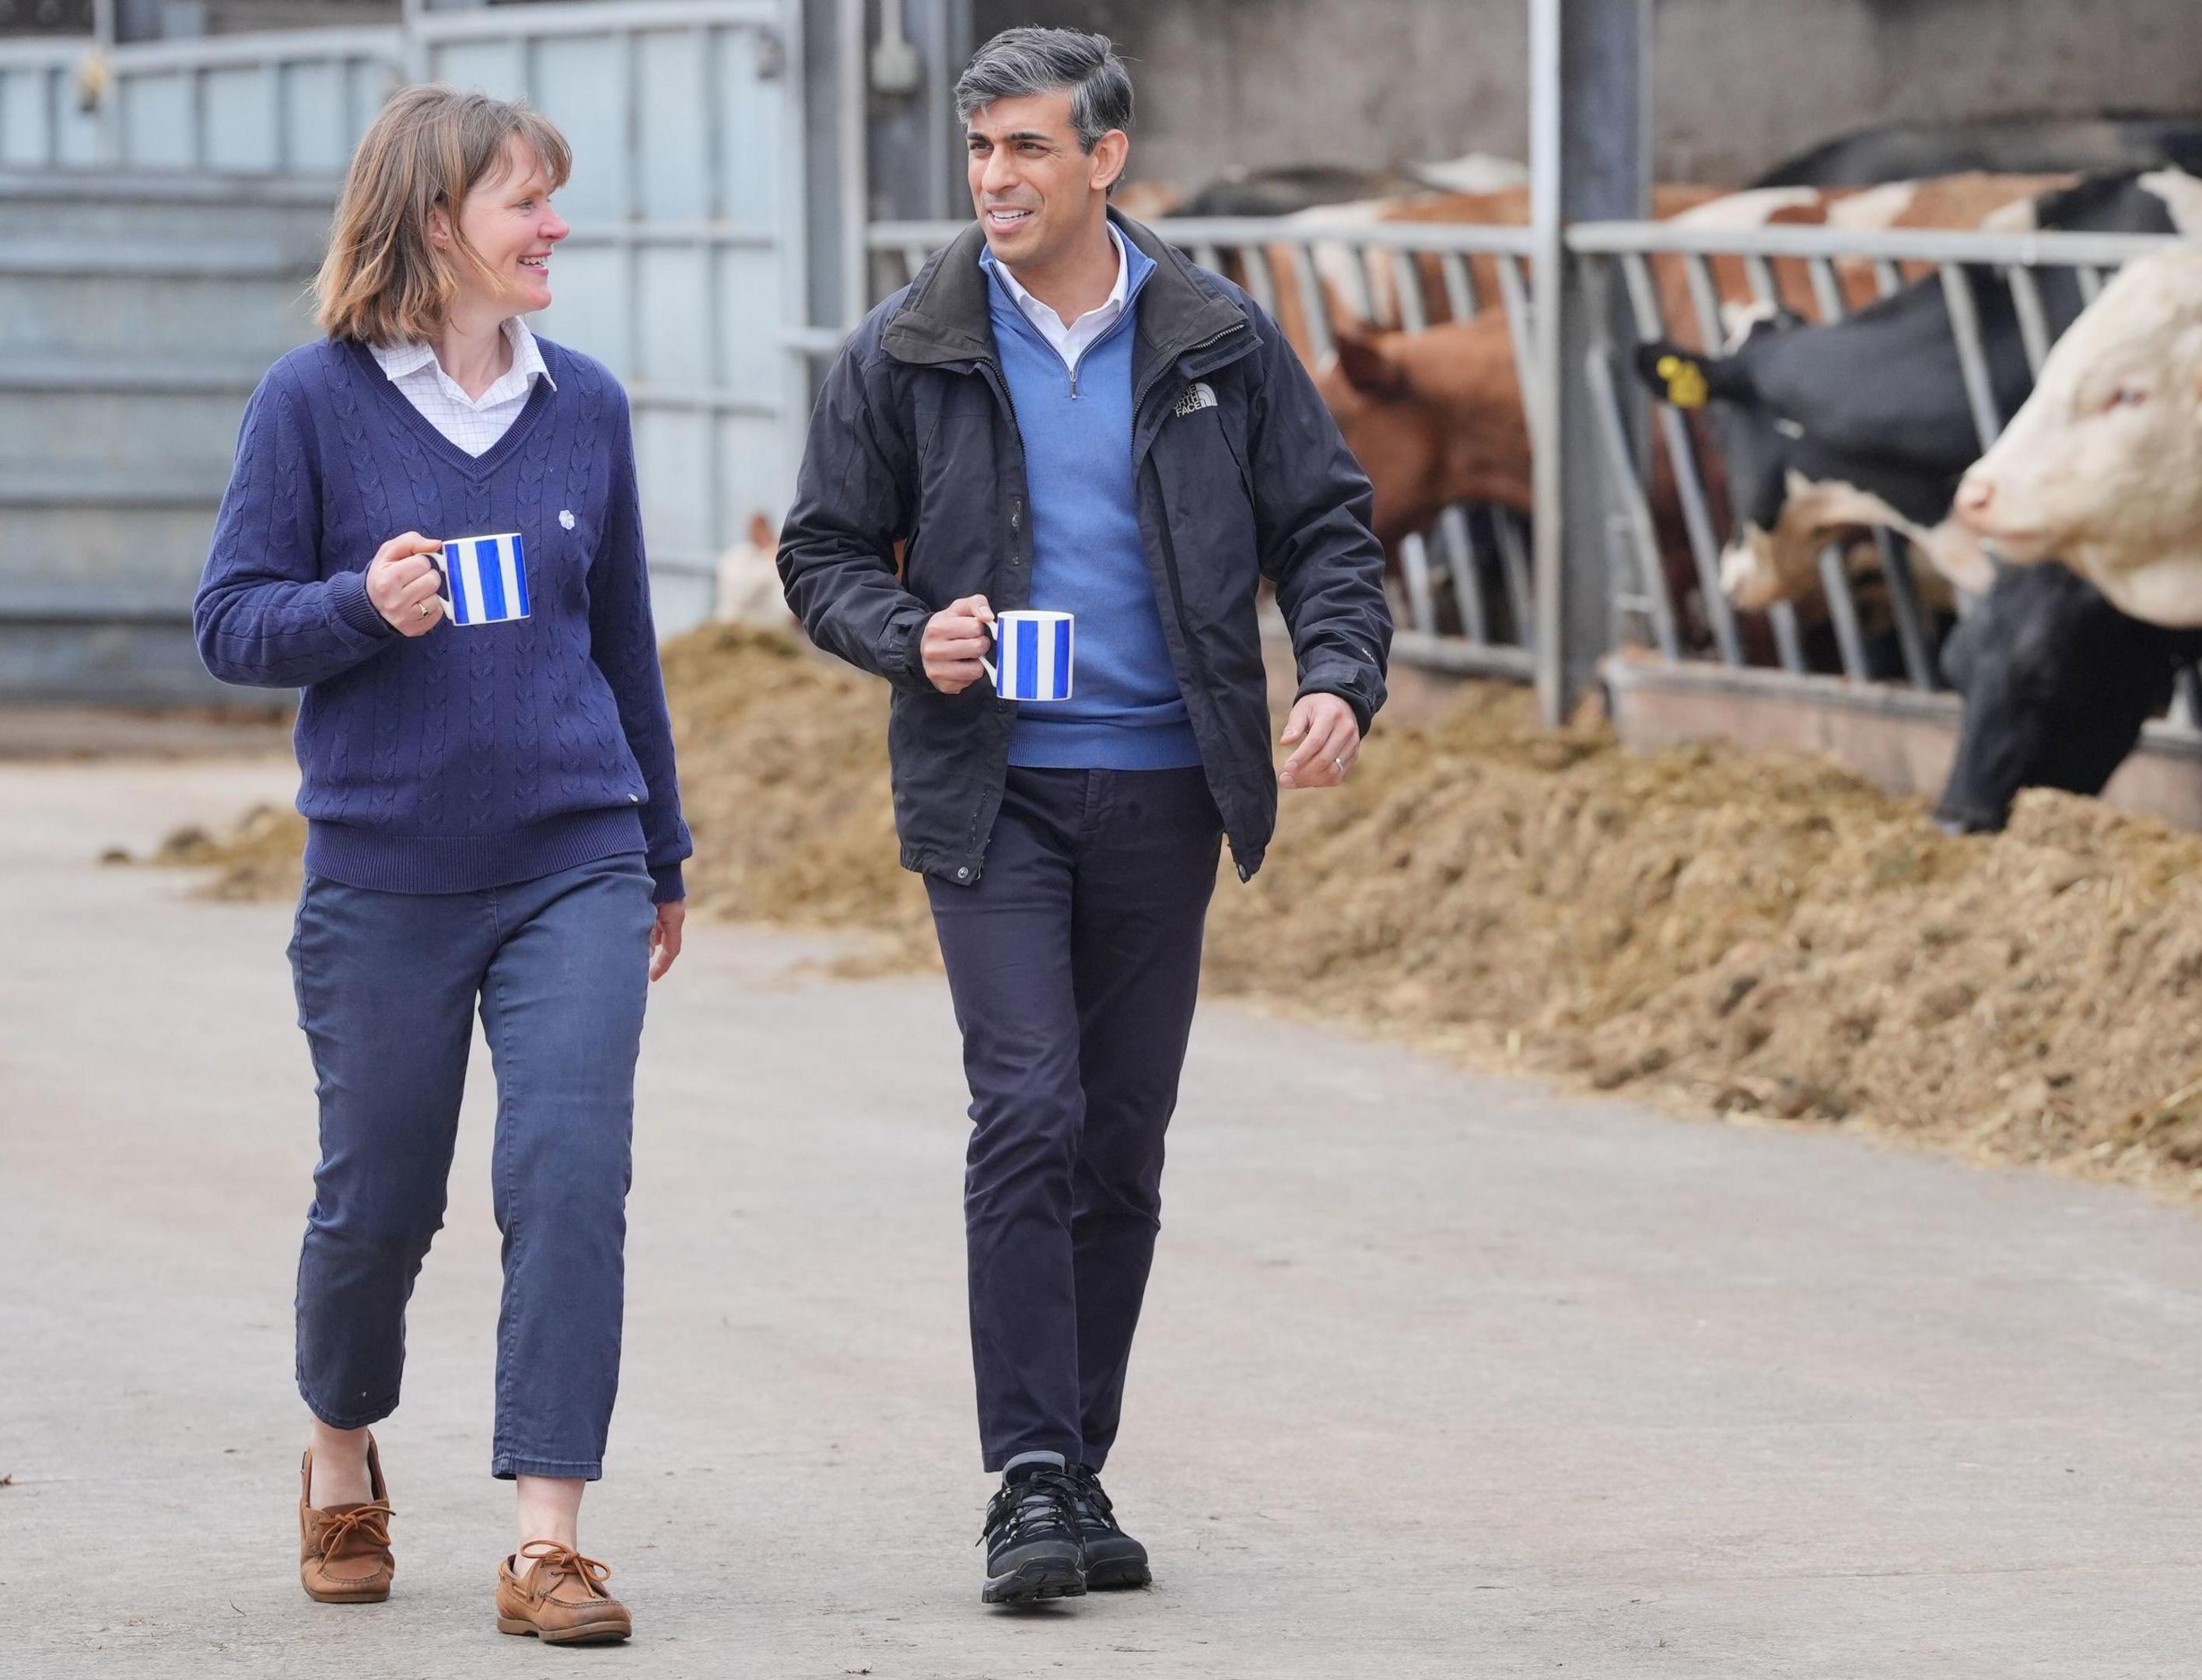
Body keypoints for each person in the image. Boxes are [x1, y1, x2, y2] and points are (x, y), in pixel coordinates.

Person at [778, 26, 1392, 1607]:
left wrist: (1338, 673)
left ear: (1105, 160)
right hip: (993, 795)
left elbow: (1325, 522)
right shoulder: (906, 346)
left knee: (1121, 1144)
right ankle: (1029, 1472)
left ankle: (1078, 1466)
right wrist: (907, 632)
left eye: (1028, 148)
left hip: (1169, 790)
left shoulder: (1218, 340)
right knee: (1030, 1111)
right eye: (980, 150)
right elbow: (822, 553)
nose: (995, 178)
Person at [191, 84, 689, 1647]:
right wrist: (358, 607)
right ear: (434, 224)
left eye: (553, 198)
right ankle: (341, 1450)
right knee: (377, 1204)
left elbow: (625, 650)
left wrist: (662, 849)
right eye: (525, 203)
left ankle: (550, 1539)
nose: (555, 229)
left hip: (574, 861)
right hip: (386, 873)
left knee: (569, 1175)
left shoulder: (585, 405)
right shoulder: (311, 402)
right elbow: (230, 621)